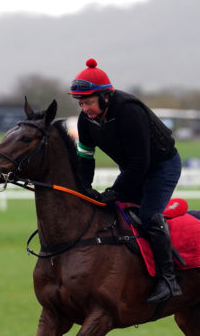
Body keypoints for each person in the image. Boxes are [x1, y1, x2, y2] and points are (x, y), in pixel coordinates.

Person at [69, 58, 183, 303]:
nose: (85, 108)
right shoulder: (85, 121)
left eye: (88, 102)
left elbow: (141, 163)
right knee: (111, 215)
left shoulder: (129, 111)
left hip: (161, 167)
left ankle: (169, 280)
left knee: (149, 216)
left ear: (105, 97)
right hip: (134, 168)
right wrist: (83, 190)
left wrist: (115, 191)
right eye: (80, 103)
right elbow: (85, 160)